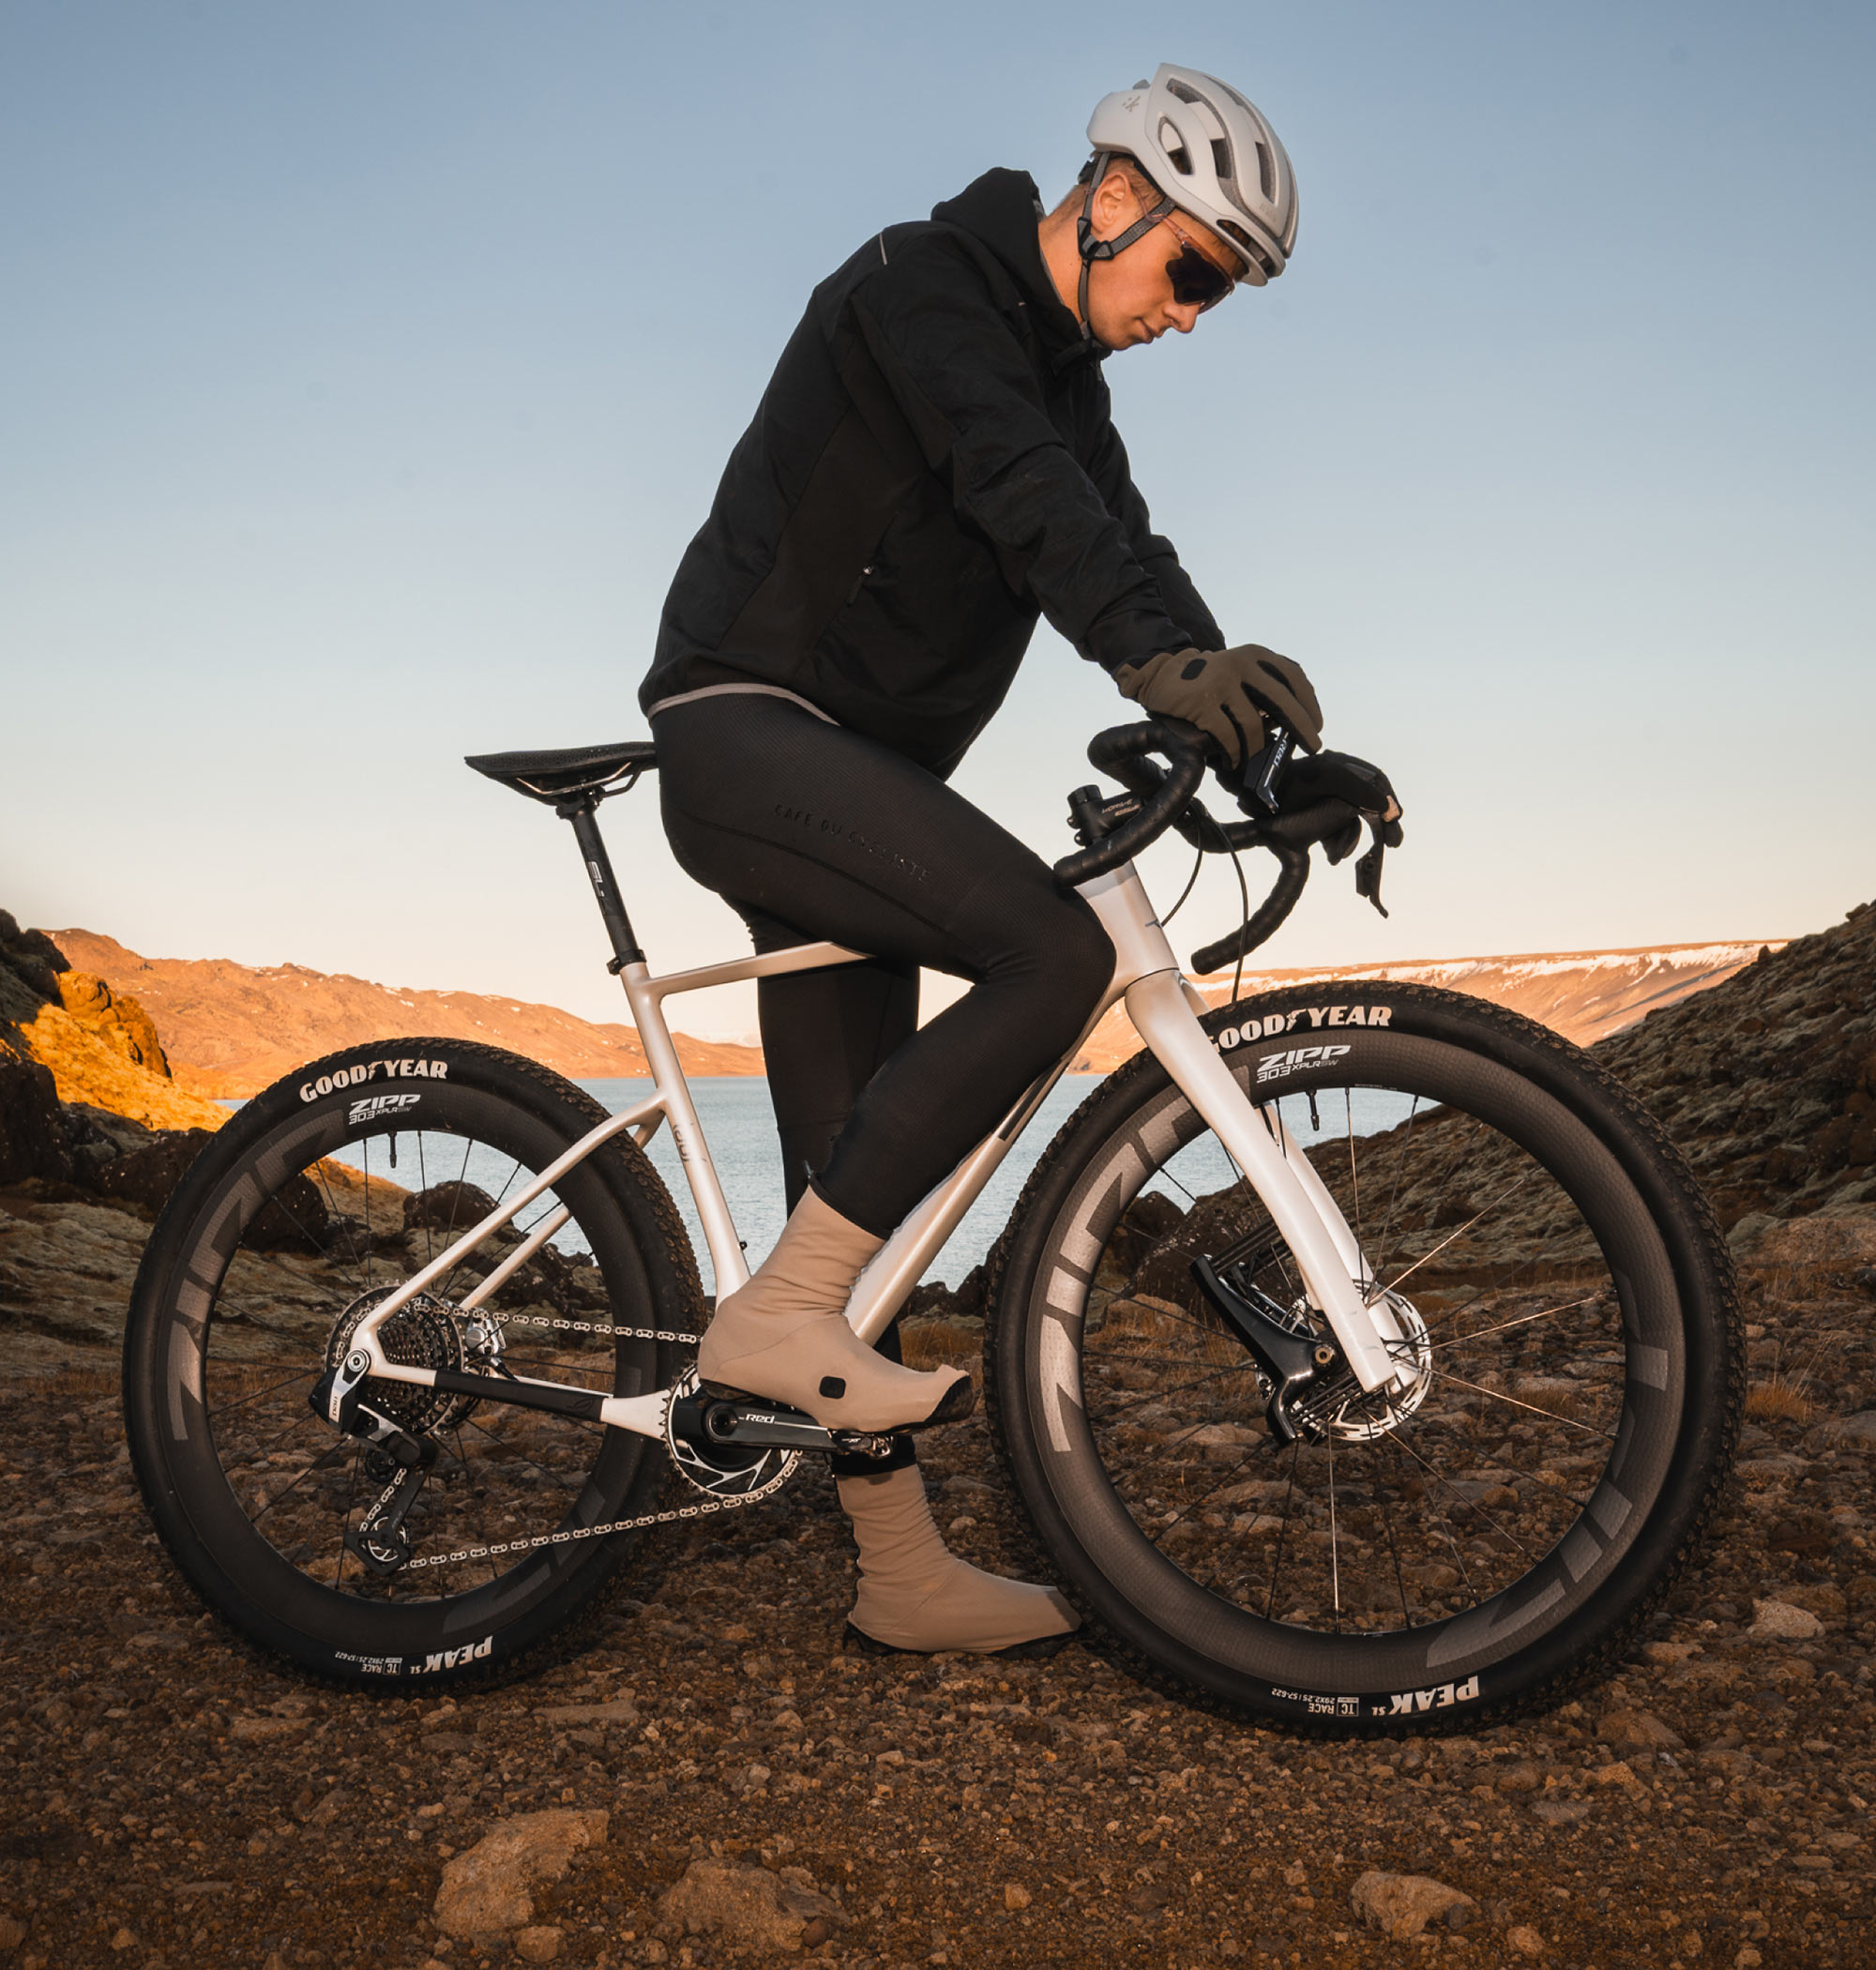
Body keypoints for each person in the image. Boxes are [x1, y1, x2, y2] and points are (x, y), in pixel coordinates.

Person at [640, 65, 1321, 1656]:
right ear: (1115, 200)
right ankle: (780, 1317)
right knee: (1052, 949)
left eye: (1223, 295)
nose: (1194, 316)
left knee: (849, 1211)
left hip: (852, 778)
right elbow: (1020, 495)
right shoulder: (921, 284)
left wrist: (1260, 734)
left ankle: (894, 1568)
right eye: (1197, 272)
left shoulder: (1070, 391)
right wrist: (1161, 673)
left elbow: (1125, 554)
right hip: (747, 731)